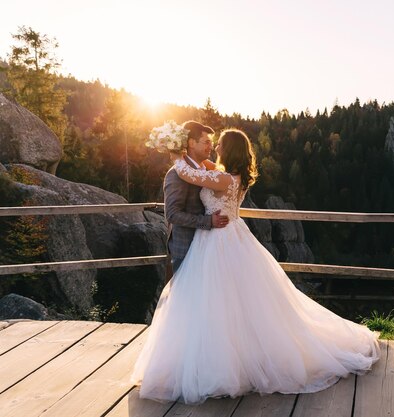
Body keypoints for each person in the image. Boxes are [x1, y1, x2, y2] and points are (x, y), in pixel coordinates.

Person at [131, 128, 380, 404]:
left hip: (219, 240)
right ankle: (227, 357)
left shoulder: (222, 178)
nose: (215, 149)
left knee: (219, 302)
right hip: (230, 236)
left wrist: (174, 151)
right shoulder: (230, 176)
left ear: (229, 150)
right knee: (233, 303)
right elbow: (201, 169)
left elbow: (190, 173)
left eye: (220, 145)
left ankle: (223, 364)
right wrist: (186, 151)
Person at [163, 121, 229, 275]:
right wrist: (208, 221)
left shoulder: (207, 170)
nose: (211, 146)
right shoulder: (176, 175)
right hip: (186, 249)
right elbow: (172, 214)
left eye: (211, 142)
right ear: (191, 143)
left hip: (210, 247)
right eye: (206, 142)